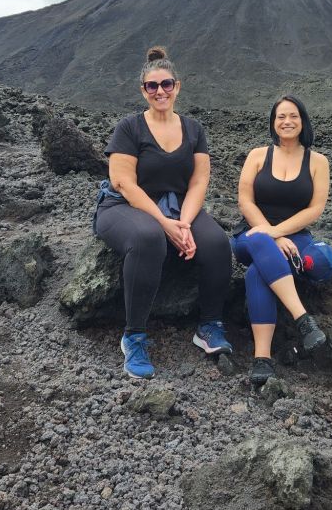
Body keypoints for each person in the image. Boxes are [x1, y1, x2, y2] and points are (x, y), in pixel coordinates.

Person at [94, 46, 233, 379]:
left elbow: (198, 181)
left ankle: (209, 326)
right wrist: (165, 225)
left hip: (177, 205)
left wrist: (183, 223)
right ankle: (133, 337)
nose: (160, 91)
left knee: (216, 243)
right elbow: (123, 183)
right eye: (152, 86)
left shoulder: (193, 129)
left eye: (166, 84)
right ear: (143, 90)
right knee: (149, 237)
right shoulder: (129, 128)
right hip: (124, 205)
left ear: (177, 87)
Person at [232, 94, 332, 386]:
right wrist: (272, 234)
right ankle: (303, 319)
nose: (287, 121)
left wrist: (278, 233)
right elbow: (245, 201)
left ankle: (262, 359)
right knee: (260, 242)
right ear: (273, 122)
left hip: (295, 238)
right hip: (251, 234)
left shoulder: (317, 162)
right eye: (281, 116)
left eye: (293, 116)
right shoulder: (257, 156)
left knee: (258, 272)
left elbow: (315, 209)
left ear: (303, 121)